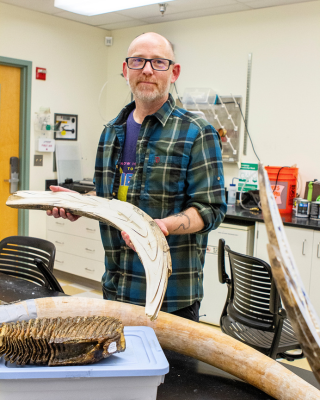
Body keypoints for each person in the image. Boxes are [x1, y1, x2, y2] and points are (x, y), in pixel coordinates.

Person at [47, 32, 227, 322]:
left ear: (174, 72)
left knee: (166, 370)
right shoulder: (111, 132)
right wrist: (81, 204)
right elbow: (111, 199)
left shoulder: (196, 132)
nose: (146, 69)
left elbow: (212, 210)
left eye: (158, 62)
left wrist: (162, 227)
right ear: (125, 69)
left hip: (169, 299)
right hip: (115, 289)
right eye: (138, 60)